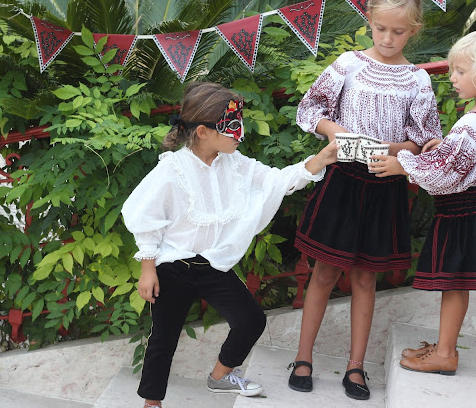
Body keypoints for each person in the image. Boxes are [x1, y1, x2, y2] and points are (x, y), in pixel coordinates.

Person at [122, 82, 338, 408]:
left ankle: (220, 376)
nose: (241, 133)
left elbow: (277, 181)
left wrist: (320, 159)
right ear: (203, 132)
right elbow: (146, 217)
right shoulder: (171, 170)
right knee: (163, 338)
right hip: (173, 268)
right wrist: (147, 269)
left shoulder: (237, 165)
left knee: (251, 320)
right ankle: (152, 403)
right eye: (232, 126)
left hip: (213, 265)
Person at [287, 0, 442, 400]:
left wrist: (395, 150)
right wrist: (337, 131)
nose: (388, 39)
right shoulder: (348, 65)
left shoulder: (417, 81)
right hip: (342, 179)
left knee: (365, 277)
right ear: (369, 22)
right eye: (381, 29)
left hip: (384, 185)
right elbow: (310, 109)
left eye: (398, 32)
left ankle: (356, 366)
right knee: (323, 272)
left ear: (413, 31)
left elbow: (423, 139)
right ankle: (303, 357)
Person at [369, 29, 476, 375]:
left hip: (461, 212)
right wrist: (444, 147)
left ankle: (445, 353)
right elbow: (467, 159)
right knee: (458, 284)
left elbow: (446, 173)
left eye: (461, 71)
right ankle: (444, 346)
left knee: (453, 284)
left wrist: (402, 164)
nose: (452, 77)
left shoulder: (473, 122)